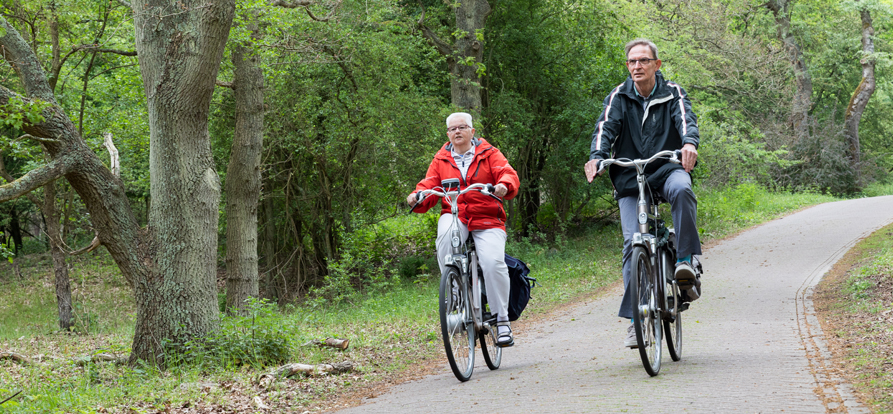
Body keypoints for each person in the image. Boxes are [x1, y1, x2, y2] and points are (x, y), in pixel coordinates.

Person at [583, 38, 703, 348]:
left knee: (682, 189)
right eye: (632, 62)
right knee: (631, 241)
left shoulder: (673, 92)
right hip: (629, 174)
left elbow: (686, 120)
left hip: (666, 166)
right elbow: (604, 129)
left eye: (643, 61)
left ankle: (685, 260)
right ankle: (637, 320)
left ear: (656, 65)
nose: (637, 66)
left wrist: (689, 143)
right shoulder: (619, 96)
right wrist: (597, 156)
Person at [407, 112, 520, 347]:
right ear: (448, 134)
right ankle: (455, 291)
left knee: (492, 262)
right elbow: (430, 183)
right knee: (445, 238)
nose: (457, 132)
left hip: (487, 216)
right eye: (452, 129)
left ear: (472, 131)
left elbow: (508, 173)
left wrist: (502, 186)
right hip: (455, 213)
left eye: (462, 127)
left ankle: (502, 321)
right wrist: (418, 195)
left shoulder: (489, 153)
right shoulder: (441, 158)